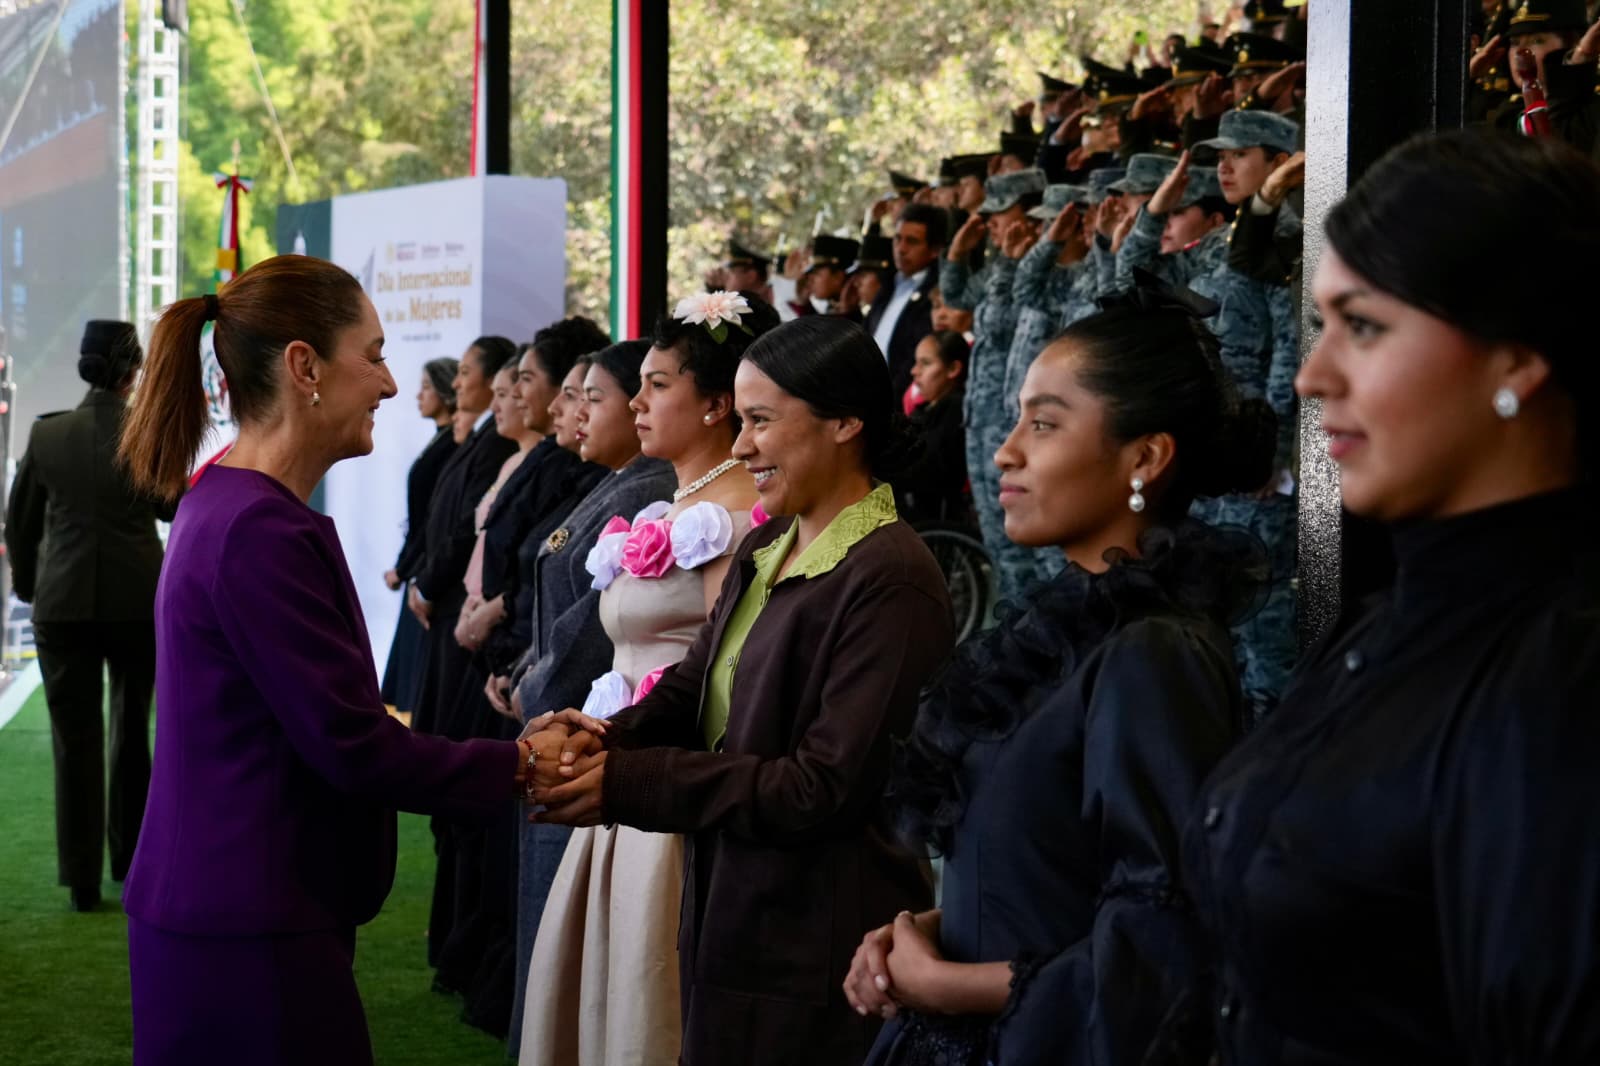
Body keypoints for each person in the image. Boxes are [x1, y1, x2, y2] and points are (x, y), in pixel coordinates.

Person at [1181, 130, 1600, 1064]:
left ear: (1515, 357)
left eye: (1362, 326)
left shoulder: (1561, 686)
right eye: (1321, 323)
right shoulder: (1392, 620)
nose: (1311, 375)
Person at [115, 256, 536, 1065]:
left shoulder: (228, 498)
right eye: (373, 354)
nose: (386, 383)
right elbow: (355, 745)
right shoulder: (257, 527)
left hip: (231, 905)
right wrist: (522, 768)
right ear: (304, 366)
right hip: (247, 920)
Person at [848, 276, 1272, 1066]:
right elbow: (1049, 872)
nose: (1006, 451)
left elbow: (1159, 938)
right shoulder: (1073, 631)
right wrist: (922, 935)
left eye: (1044, 424)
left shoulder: (1154, 655)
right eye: (1016, 420)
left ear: (1145, 456)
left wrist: (950, 984)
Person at [524, 316, 956, 1065]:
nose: (742, 445)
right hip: (735, 908)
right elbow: (695, 682)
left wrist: (629, 780)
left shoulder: (891, 576)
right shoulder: (768, 541)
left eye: (760, 421)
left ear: (846, 422)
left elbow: (821, 786)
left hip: (820, 934)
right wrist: (605, 738)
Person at [519, 291, 780, 1066]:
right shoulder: (673, 504)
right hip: (622, 757)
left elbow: (723, 677)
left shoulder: (733, 518)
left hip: (667, 777)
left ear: (715, 407)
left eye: (658, 383)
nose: (637, 400)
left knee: (648, 983)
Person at [507, 338, 679, 1042]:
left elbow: (592, 626)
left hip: (604, 729)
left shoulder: (652, 490)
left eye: (592, 396)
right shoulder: (622, 483)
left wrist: (538, 693)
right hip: (575, 716)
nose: (637, 404)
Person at [4, 319, 171, 912]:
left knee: (74, 742)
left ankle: (80, 879)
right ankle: (130, 865)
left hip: (63, 605)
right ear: (133, 371)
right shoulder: (144, 432)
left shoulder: (47, 436)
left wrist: (30, 585)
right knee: (132, 733)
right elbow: (171, 506)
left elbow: (19, 527)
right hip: (135, 603)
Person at [380, 357, 458, 716]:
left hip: (426, 577)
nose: (417, 395)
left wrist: (404, 568)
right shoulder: (443, 443)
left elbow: (431, 523)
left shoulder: (452, 448)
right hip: (419, 572)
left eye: (427, 386)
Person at [864, 203, 946, 398]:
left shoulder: (936, 294)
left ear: (934, 250)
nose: (901, 249)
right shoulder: (888, 284)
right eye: (897, 239)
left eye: (912, 241)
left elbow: (914, 357)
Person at [894, 330, 970, 525]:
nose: (914, 371)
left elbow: (928, 467)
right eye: (916, 362)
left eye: (925, 363)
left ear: (953, 369)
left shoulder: (956, 408)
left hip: (936, 517)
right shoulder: (925, 409)